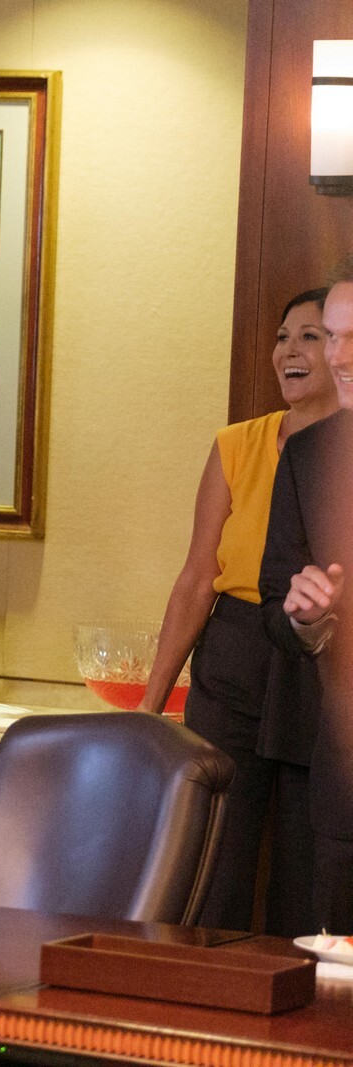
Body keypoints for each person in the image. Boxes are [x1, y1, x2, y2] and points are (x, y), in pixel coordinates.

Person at [138, 289, 338, 934]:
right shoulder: (238, 443)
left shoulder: (341, 449)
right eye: (283, 337)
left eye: (310, 336)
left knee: (307, 862)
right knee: (215, 854)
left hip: (318, 656)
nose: (289, 351)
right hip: (235, 650)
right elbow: (198, 577)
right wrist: (150, 705)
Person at [261, 258, 353, 932]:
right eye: (335, 336)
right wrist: (306, 619)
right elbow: (275, 603)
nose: (339, 357)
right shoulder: (308, 456)